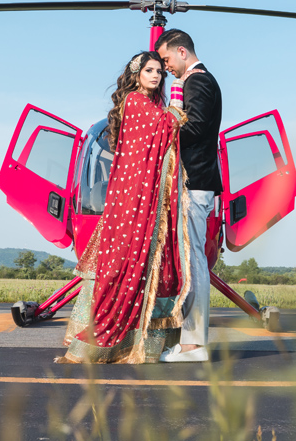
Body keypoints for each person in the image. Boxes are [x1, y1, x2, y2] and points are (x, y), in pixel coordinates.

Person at [59, 51, 193, 364]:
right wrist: (178, 89)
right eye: (150, 71)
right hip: (133, 197)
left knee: (137, 259)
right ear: (136, 75)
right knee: (125, 259)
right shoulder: (136, 102)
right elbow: (167, 126)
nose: (156, 76)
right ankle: (114, 339)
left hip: (133, 195)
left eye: (160, 71)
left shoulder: (143, 104)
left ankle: (141, 339)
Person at [154, 29, 222, 363]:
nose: (165, 67)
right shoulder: (200, 82)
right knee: (190, 261)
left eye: (166, 59)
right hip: (196, 183)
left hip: (195, 183)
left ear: (182, 51)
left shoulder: (199, 82)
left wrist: (159, 123)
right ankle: (188, 340)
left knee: (194, 263)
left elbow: (193, 128)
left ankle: (194, 344)